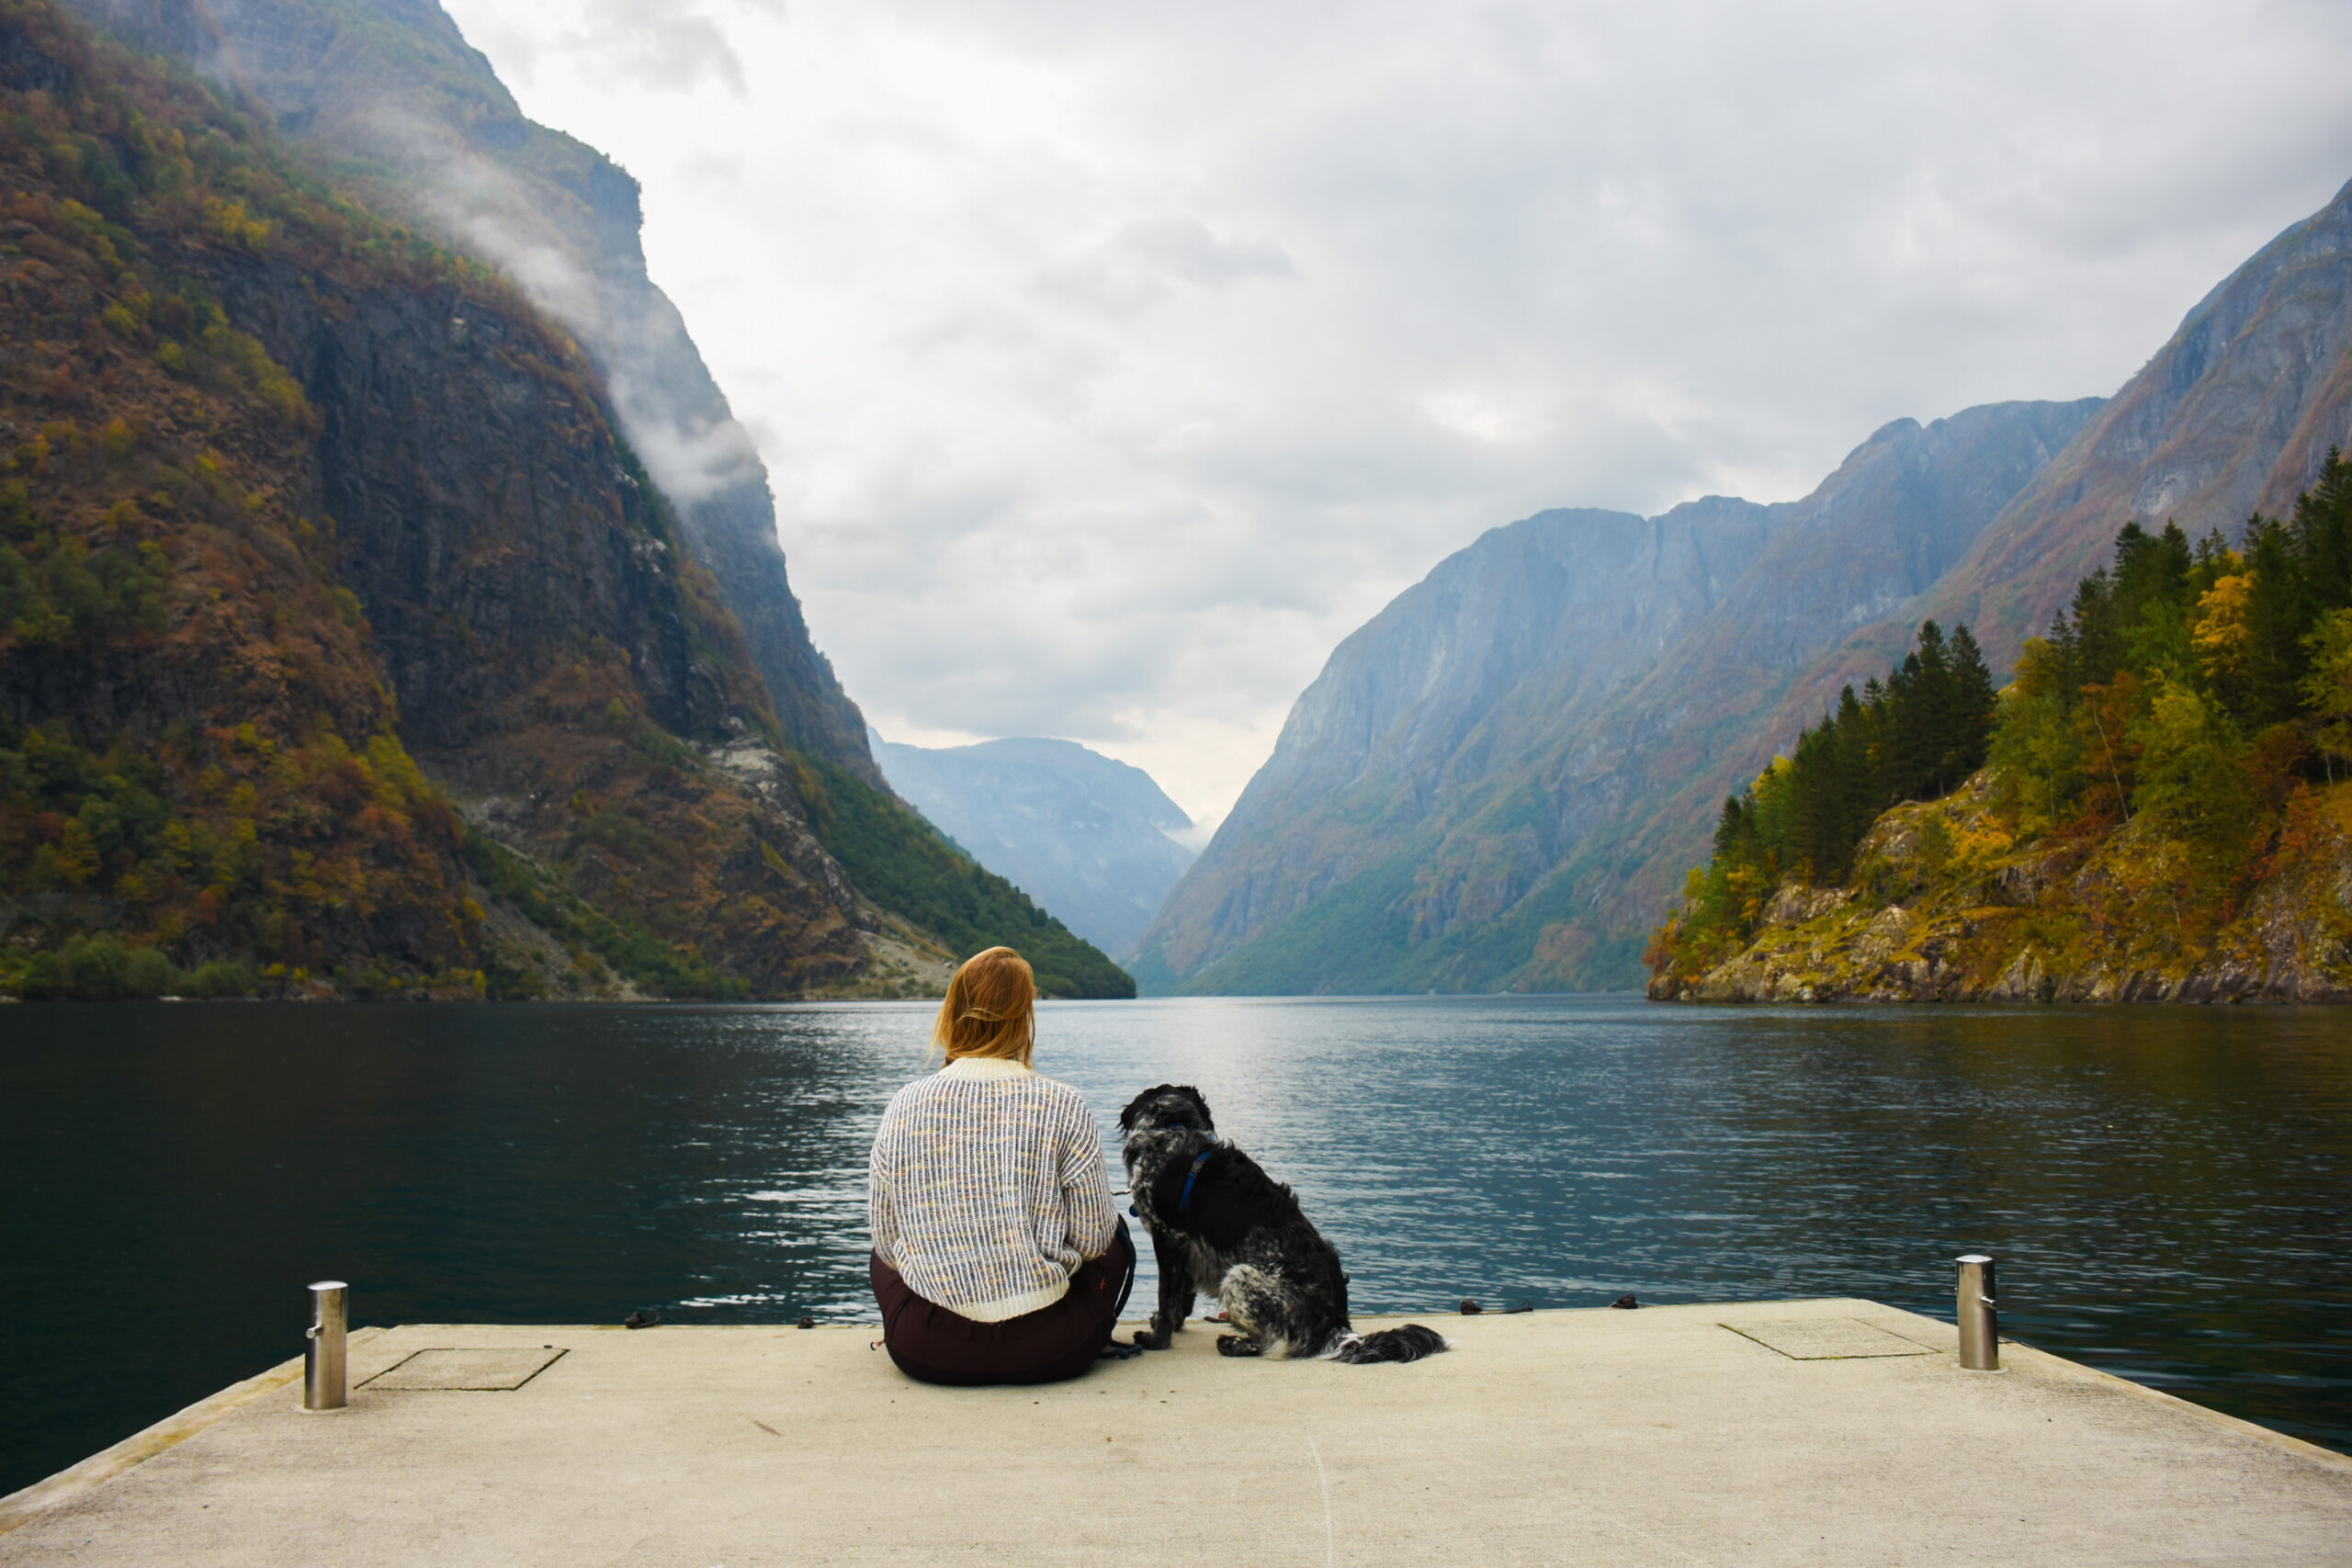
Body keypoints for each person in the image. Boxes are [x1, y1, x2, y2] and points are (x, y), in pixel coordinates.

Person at [867, 946, 1135, 1385]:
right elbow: (1092, 1241)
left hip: (928, 1350)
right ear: (1023, 1017)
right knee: (1118, 1237)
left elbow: (887, 1238)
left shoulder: (904, 1104)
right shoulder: (1063, 1104)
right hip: (1051, 1348)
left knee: (880, 1259)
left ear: (952, 1011)